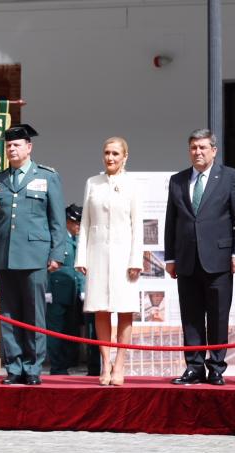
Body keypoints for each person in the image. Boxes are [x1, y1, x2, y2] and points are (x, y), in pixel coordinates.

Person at [0, 124, 66, 385]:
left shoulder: (47, 177)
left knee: (34, 314)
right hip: (5, 256)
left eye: (17, 144)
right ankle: (14, 367)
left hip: (35, 256)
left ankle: (32, 367)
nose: (12, 149)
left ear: (29, 147)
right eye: (8, 145)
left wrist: (56, 253)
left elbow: (57, 220)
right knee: (8, 315)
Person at [165, 129, 235, 386]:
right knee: (190, 316)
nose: (198, 152)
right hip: (187, 259)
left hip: (220, 259)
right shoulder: (177, 180)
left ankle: (216, 367)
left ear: (214, 150)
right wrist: (170, 258)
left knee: (218, 315)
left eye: (203, 147)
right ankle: (193, 367)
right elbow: (172, 221)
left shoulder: (229, 177)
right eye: (193, 148)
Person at [76, 137, 143, 386]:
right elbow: (84, 223)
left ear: (125, 156)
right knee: (100, 308)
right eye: (107, 153)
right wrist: (81, 256)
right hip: (97, 253)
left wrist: (135, 259)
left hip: (125, 255)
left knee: (125, 310)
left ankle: (121, 363)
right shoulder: (92, 182)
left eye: (115, 153)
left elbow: (138, 224)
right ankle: (106, 362)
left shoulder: (133, 184)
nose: (110, 158)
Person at [45, 204, 85, 375]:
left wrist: (82, 288)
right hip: (57, 292)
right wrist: (46, 290)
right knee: (56, 331)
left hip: (73, 292)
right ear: (68, 222)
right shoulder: (58, 238)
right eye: (76, 223)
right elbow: (47, 265)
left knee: (71, 329)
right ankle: (58, 366)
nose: (78, 227)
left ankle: (68, 362)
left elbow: (80, 268)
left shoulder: (77, 239)